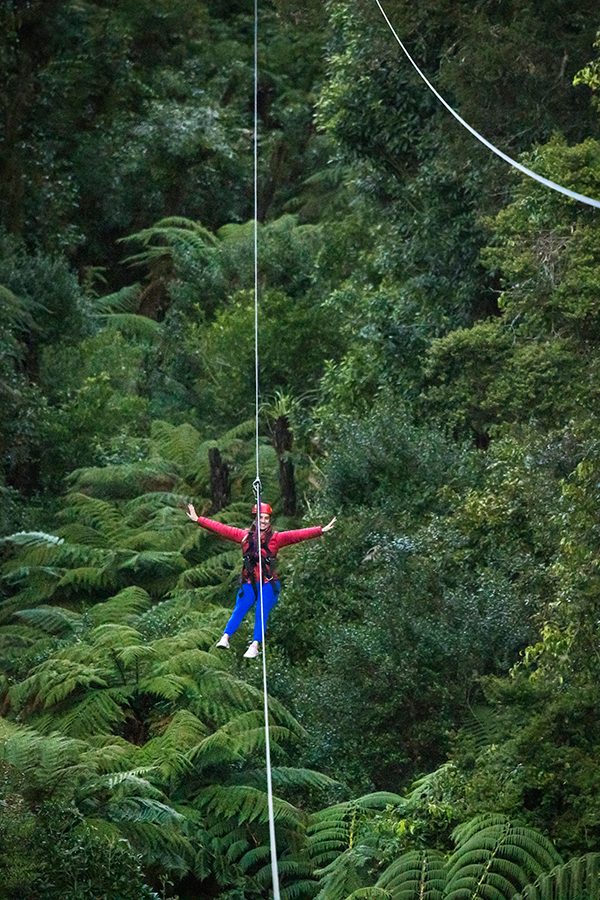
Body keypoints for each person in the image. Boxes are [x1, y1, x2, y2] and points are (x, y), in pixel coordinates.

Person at [186, 501, 336, 658]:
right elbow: (222, 529)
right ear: (255, 519)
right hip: (249, 582)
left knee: (261, 612)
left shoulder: (276, 538)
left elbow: (296, 535)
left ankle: (255, 644)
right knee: (240, 608)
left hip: (268, 582)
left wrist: (320, 530)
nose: (263, 521)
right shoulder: (244, 536)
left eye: (266, 518)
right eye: (261, 517)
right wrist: (199, 520)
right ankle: (225, 637)